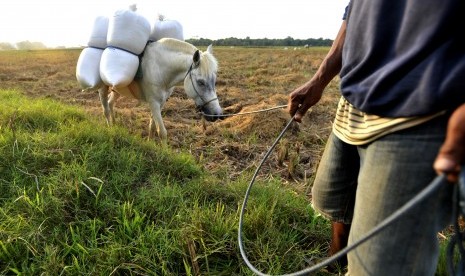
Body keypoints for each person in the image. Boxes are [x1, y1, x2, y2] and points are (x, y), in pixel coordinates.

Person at [288, 0, 465, 275]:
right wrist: (319, 80)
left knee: (378, 267)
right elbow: (355, 11)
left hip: (421, 111)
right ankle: (337, 266)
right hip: (354, 102)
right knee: (334, 203)